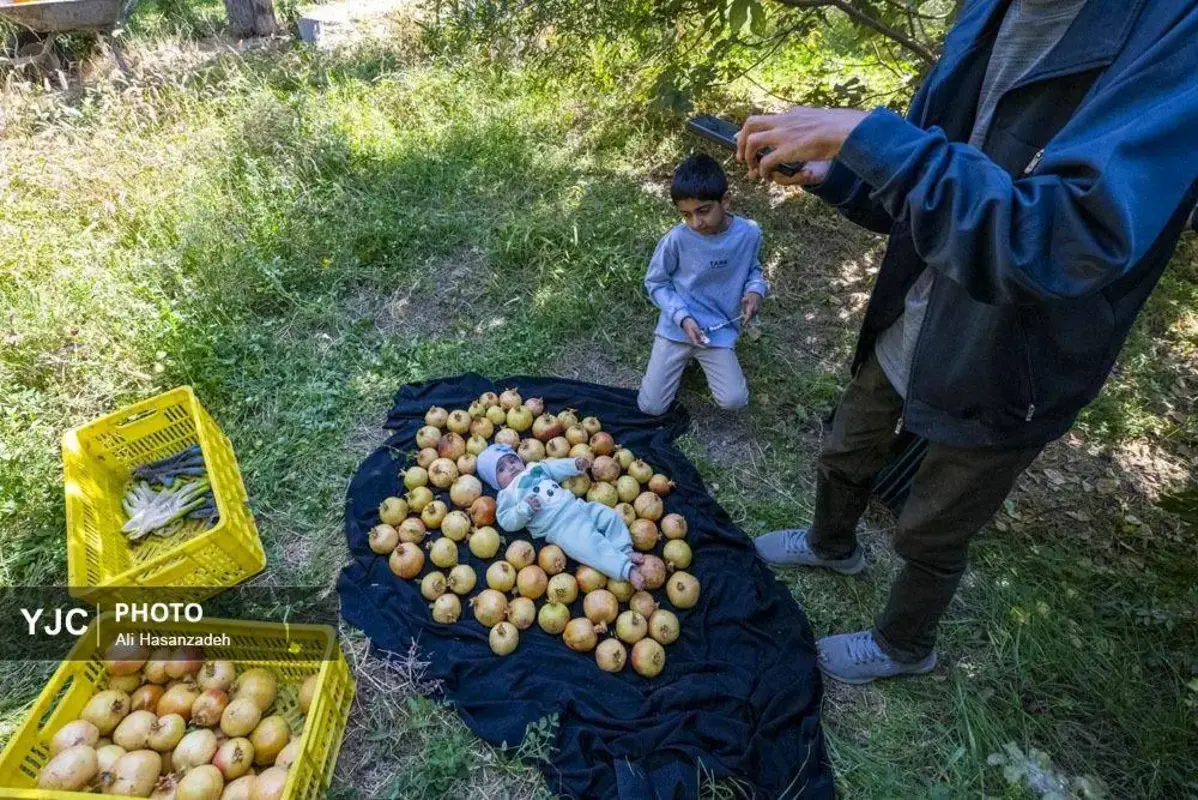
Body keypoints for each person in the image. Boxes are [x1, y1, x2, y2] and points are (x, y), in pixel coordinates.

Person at [741, 0, 1198, 684]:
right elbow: (924, 175)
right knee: (848, 443)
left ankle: (904, 644)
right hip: (920, 306)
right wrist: (843, 173)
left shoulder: (1175, 32)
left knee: (936, 522)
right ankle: (830, 544)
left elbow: (1061, 240)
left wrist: (871, 136)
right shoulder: (990, 9)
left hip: (1013, 349)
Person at [637, 154, 769, 416]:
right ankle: (681, 359)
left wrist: (755, 291)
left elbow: (753, 269)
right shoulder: (677, 239)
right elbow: (656, 282)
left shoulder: (749, 233)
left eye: (703, 211)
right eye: (686, 215)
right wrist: (682, 317)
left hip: (718, 329)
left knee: (734, 400)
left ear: (726, 200)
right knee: (651, 407)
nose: (696, 223)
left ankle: (698, 359)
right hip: (677, 328)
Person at [476, 444, 648, 587]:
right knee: (591, 548)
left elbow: (555, 467)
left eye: (512, 460)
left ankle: (625, 549)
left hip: (577, 505)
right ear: (494, 482)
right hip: (560, 527)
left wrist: (574, 465)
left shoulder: (534, 467)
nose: (511, 467)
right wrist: (524, 509)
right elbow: (506, 520)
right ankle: (626, 569)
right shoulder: (506, 495)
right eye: (501, 469)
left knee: (609, 516)